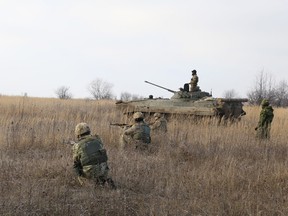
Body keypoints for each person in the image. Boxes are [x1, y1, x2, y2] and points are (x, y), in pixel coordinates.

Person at [72, 122, 116, 188]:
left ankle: (84, 183)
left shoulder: (77, 145)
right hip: (104, 169)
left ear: (78, 133)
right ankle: (103, 178)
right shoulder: (98, 139)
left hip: (90, 172)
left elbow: (76, 161)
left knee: (76, 166)